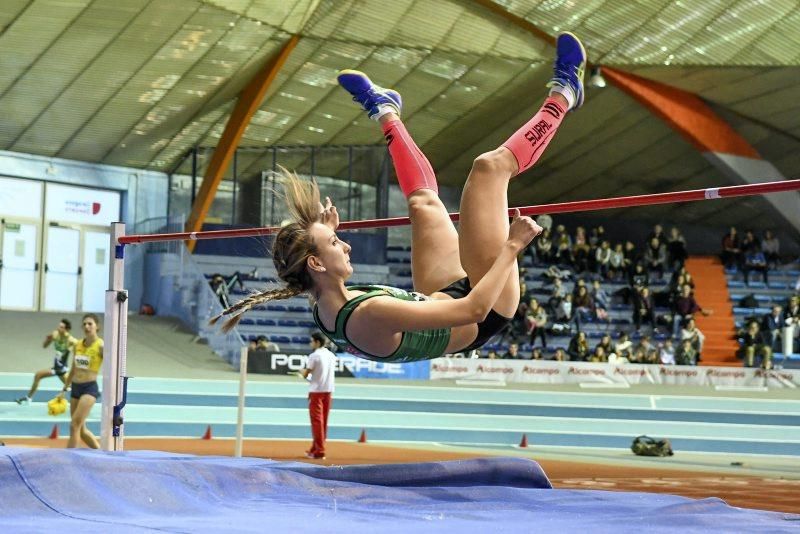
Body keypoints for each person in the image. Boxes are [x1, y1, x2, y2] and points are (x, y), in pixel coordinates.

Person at [56, 314, 103, 449]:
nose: (87, 326)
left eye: (90, 324)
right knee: (80, 430)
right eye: (84, 324)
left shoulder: (100, 346)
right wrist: (64, 389)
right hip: (76, 387)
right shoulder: (78, 345)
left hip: (89, 389)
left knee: (74, 424)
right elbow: (73, 368)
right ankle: (101, 454)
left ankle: (70, 457)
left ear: (97, 326)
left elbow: (113, 365)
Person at [16, 319, 76, 404]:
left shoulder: (71, 340)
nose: (59, 328)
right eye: (59, 326)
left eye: (61, 327)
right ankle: (28, 398)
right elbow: (44, 346)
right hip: (56, 367)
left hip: (62, 368)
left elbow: (80, 349)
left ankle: (82, 398)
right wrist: (48, 339)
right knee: (38, 375)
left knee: (70, 385)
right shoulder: (55, 335)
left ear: (67, 329)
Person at [299, 332, 336, 460]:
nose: (310, 343)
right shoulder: (331, 355)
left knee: (316, 422)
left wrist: (301, 371)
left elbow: (306, 373)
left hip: (316, 392)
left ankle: (319, 450)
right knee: (323, 421)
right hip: (328, 390)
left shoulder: (314, 356)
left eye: (311, 341)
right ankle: (316, 448)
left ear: (317, 342)